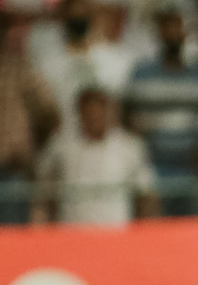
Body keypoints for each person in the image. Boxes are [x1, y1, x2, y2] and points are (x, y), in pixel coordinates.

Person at [123, 8, 198, 214]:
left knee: (196, 234)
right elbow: (129, 121)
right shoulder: (141, 77)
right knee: (156, 234)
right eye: (166, 28)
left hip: (192, 170)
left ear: (185, 33)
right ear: (158, 33)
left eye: (176, 27)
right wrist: (141, 164)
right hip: (153, 170)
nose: (171, 33)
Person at [34, 87, 158, 226]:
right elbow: (44, 192)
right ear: (79, 113)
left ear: (109, 112)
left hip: (117, 234)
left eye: (99, 112)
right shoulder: (60, 146)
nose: (94, 117)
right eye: (89, 113)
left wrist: (145, 231)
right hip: (72, 234)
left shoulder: (130, 146)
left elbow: (146, 194)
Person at [32, 0, 134, 139]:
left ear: (93, 15)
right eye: (72, 14)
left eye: (83, 12)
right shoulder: (47, 63)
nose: (78, 17)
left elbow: (122, 105)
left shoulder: (116, 60)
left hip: (109, 144)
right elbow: (45, 112)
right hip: (67, 142)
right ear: (62, 18)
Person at [0, 12, 60, 225]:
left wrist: (31, 146)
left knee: (12, 240)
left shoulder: (25, 71)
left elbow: (50, 115)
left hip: (13, 169)